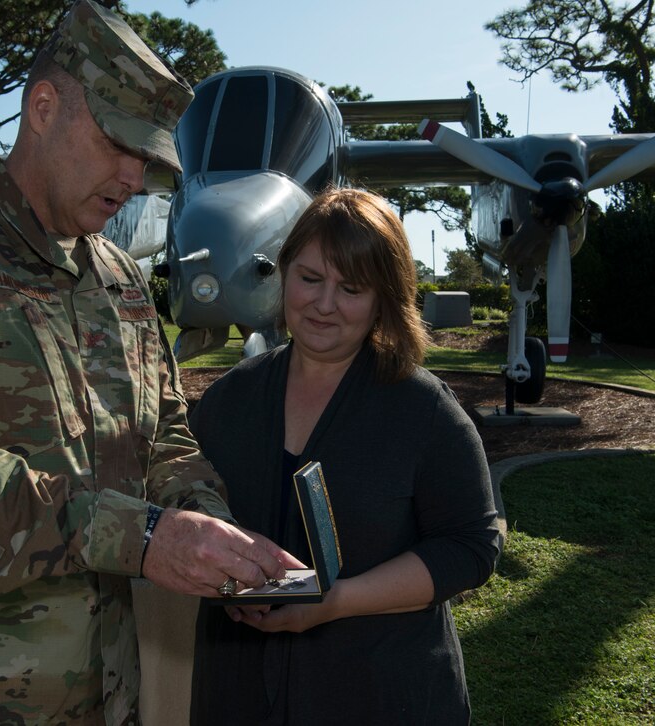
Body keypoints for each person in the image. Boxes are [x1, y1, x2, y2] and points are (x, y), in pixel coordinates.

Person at [0, 2, 299, 723]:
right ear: (44, 108)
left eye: (152, 161)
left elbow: (165, 437)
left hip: (107, 692)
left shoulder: (121, 279)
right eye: (119, 146)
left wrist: (209, 530)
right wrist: (146, 537)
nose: (135, 179)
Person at [188, 188, 502, 725]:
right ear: (283, 274)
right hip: (237, 691)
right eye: (309, 278)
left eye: (351, 288)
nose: (324, 303)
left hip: (381, 695)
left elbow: (472, 547)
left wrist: (339, 600)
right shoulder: (228, 401)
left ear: (385, 299)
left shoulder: (422, 410)